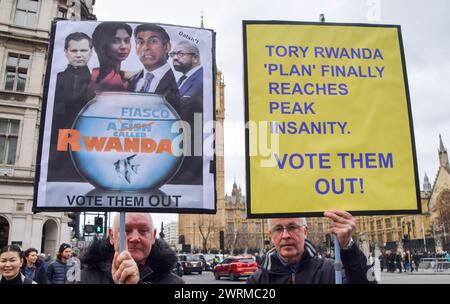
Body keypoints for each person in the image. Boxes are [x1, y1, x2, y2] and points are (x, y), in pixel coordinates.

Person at [247, 210, 376, 284]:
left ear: (305, 232)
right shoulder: (257, 280)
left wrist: (349, 248)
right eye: (278, 229)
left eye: (292, 227)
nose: (285, 235)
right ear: (271, 236)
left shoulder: (331, 271)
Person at [81, 213, 184, 284]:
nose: (135, 238)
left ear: (153, 236)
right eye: (126, 230)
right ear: (112, 236)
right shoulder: (84, 279)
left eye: (143, 231)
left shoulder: (175, 282)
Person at [48, 32, 93, 182]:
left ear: (91, 52)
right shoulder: (55, 79)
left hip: (88, 141)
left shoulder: (97, 81)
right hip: (59, 142)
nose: (79, 55)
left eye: (83, 50)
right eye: (74, 51)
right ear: (66, 52)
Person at [168, 40, 203, 185]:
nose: (175, 57)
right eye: (173, 54)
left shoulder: (203, 80)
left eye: (180, 54)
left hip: (192, 157)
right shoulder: (180, 81)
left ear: (195, 58)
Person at [128, 23, 181, 114]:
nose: (145, 47)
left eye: (153, 41)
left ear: (167, 47)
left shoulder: (180, 82)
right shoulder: (131, 81)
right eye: (140, 42)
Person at [87, 22, 132, 99]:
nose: (123, 46)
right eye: (115, 41)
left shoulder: (130, 78)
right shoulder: (91, 78)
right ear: (102, 44)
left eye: (127, 40)